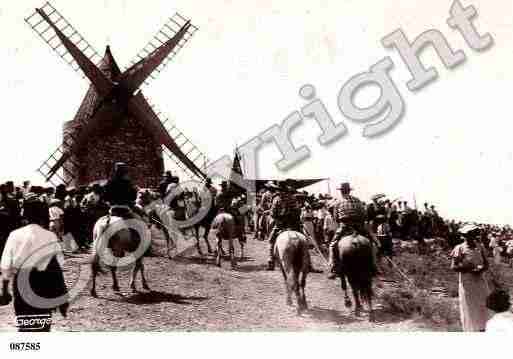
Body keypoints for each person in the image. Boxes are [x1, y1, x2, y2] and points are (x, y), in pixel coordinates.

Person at [0, 194, 68, 332]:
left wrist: (5, 289)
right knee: (43, 324)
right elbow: (59, 265)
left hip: (21, 284)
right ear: (43, 216)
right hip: (44, 285)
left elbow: (6, 264)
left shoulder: (15, 235)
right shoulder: (50, 236)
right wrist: (62, 295)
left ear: (25, 216)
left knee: (24, 324)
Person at [327, 182, 376, 279]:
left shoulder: (337, 202)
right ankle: (373, 266)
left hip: (345, 226)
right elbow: (364, 215)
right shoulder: (358, 200)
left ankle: (333, 269)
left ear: (341, 191)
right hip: (359, 226)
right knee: (372, 243)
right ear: (349, 190)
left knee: (332, 245)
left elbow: (336, 218)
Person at [451, 224, 490, 332]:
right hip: (467, 282)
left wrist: (481, 269)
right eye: (469, 234)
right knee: (470, 306)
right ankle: (471, 329)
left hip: (480, 280)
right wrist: (467, 268)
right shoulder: (459, 248)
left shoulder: (480, 247)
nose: (472, 236)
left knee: (483, 304)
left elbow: (486, 264)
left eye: (473, 233)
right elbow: (454, 266)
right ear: (464, 236)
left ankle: (483, 328)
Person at [266, 180, 300, 270]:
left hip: (280, 224)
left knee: (271, 240)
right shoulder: (293, 197)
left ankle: (271, 262)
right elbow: (297, 211)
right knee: (303, 239)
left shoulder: (276, 199)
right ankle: (308, 264)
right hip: (293, 224)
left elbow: (273, 214)